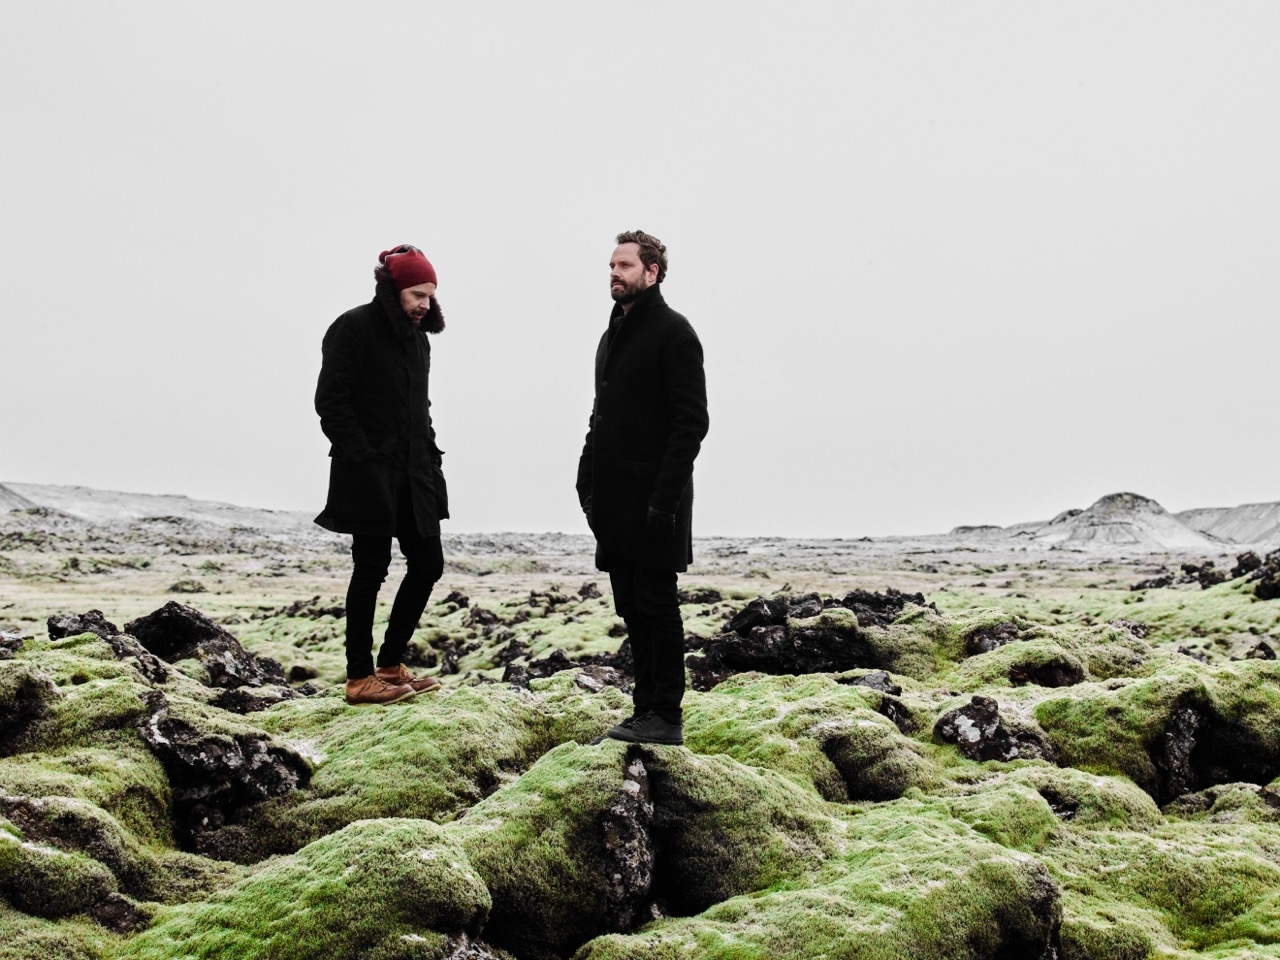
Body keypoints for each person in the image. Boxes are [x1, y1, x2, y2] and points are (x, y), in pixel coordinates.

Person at [577, 230, 709, 745]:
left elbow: (690, 422)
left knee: (656, 606)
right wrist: (585, 479)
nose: (615, 272)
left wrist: (664, 498)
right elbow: (601, 417)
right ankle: (642, 711)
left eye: (626, 265)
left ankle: (666, 716)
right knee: (630, 605)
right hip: (612, 500)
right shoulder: (613, 335)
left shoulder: (674, 332)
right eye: (612, 264)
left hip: (656, 501)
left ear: (651, 272)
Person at [315, 245, 449, 706]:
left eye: (430, 296)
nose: (424, 305)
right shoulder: (353, 327)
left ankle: (390, 664)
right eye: (417, 294)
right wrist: (363, 457)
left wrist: (432, 459)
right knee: (369, 569)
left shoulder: (419, 339)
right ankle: (358, 677)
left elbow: (420, 407)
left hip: (416, 470)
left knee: (429, 564)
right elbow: (331, 401)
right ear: (393, 289)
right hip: (368, 471)